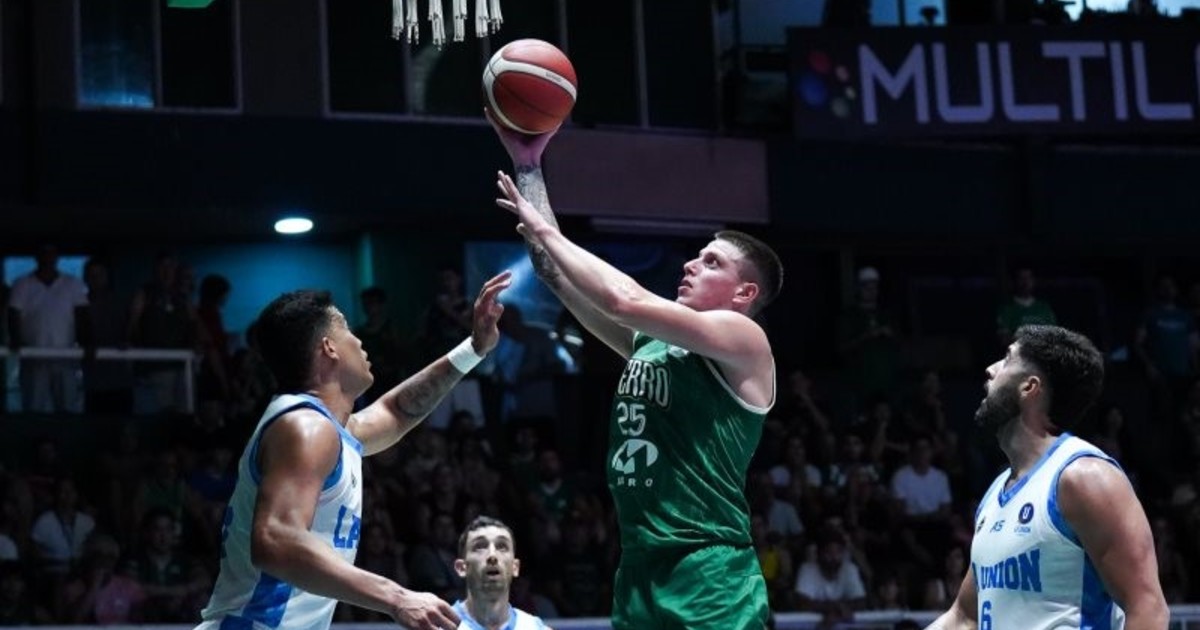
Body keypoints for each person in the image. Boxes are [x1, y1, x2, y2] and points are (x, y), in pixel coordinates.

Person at [490, 114, 783, 630]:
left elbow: (622, 300)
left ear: (745, 293)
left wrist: (543, 228)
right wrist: (529, 165)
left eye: (712, 262)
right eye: (697, 257)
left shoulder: (745, 341)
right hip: (639, 567)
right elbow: (555, 274)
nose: (691, 265)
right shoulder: (651, 344)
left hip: (709, 571)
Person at [194, 270, 512, 630]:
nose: (359, 341)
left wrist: (474, 348)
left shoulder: (324, 429)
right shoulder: (306, 428)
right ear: (329, 347)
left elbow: (396, 411)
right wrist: (396, 597)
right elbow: (274, 539)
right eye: (347, 329)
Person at [926, 325, 1168, 630]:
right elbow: (964, 617)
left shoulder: (1083, 477)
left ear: (1029, 387)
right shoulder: (995, 494)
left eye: (1007, 359)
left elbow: (1147, 608)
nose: (990, 369)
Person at [452, 515, 551, 630]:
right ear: (461, 568)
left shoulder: (535, 628)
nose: (492, 555)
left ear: (515, 567)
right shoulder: (440, 625)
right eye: (480, 546)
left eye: (502, 546)